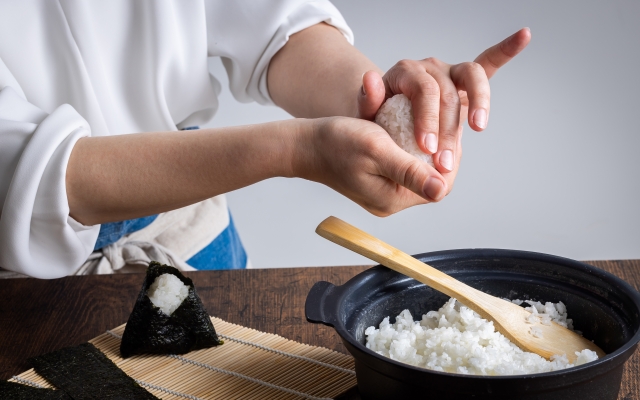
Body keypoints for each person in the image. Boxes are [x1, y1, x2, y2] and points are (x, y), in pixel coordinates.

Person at [0, 1, 530, 279]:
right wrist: (295, 150)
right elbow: (40, 174)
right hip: (25, 292)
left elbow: (273, 25)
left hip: (189, 246)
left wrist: (384, 107)